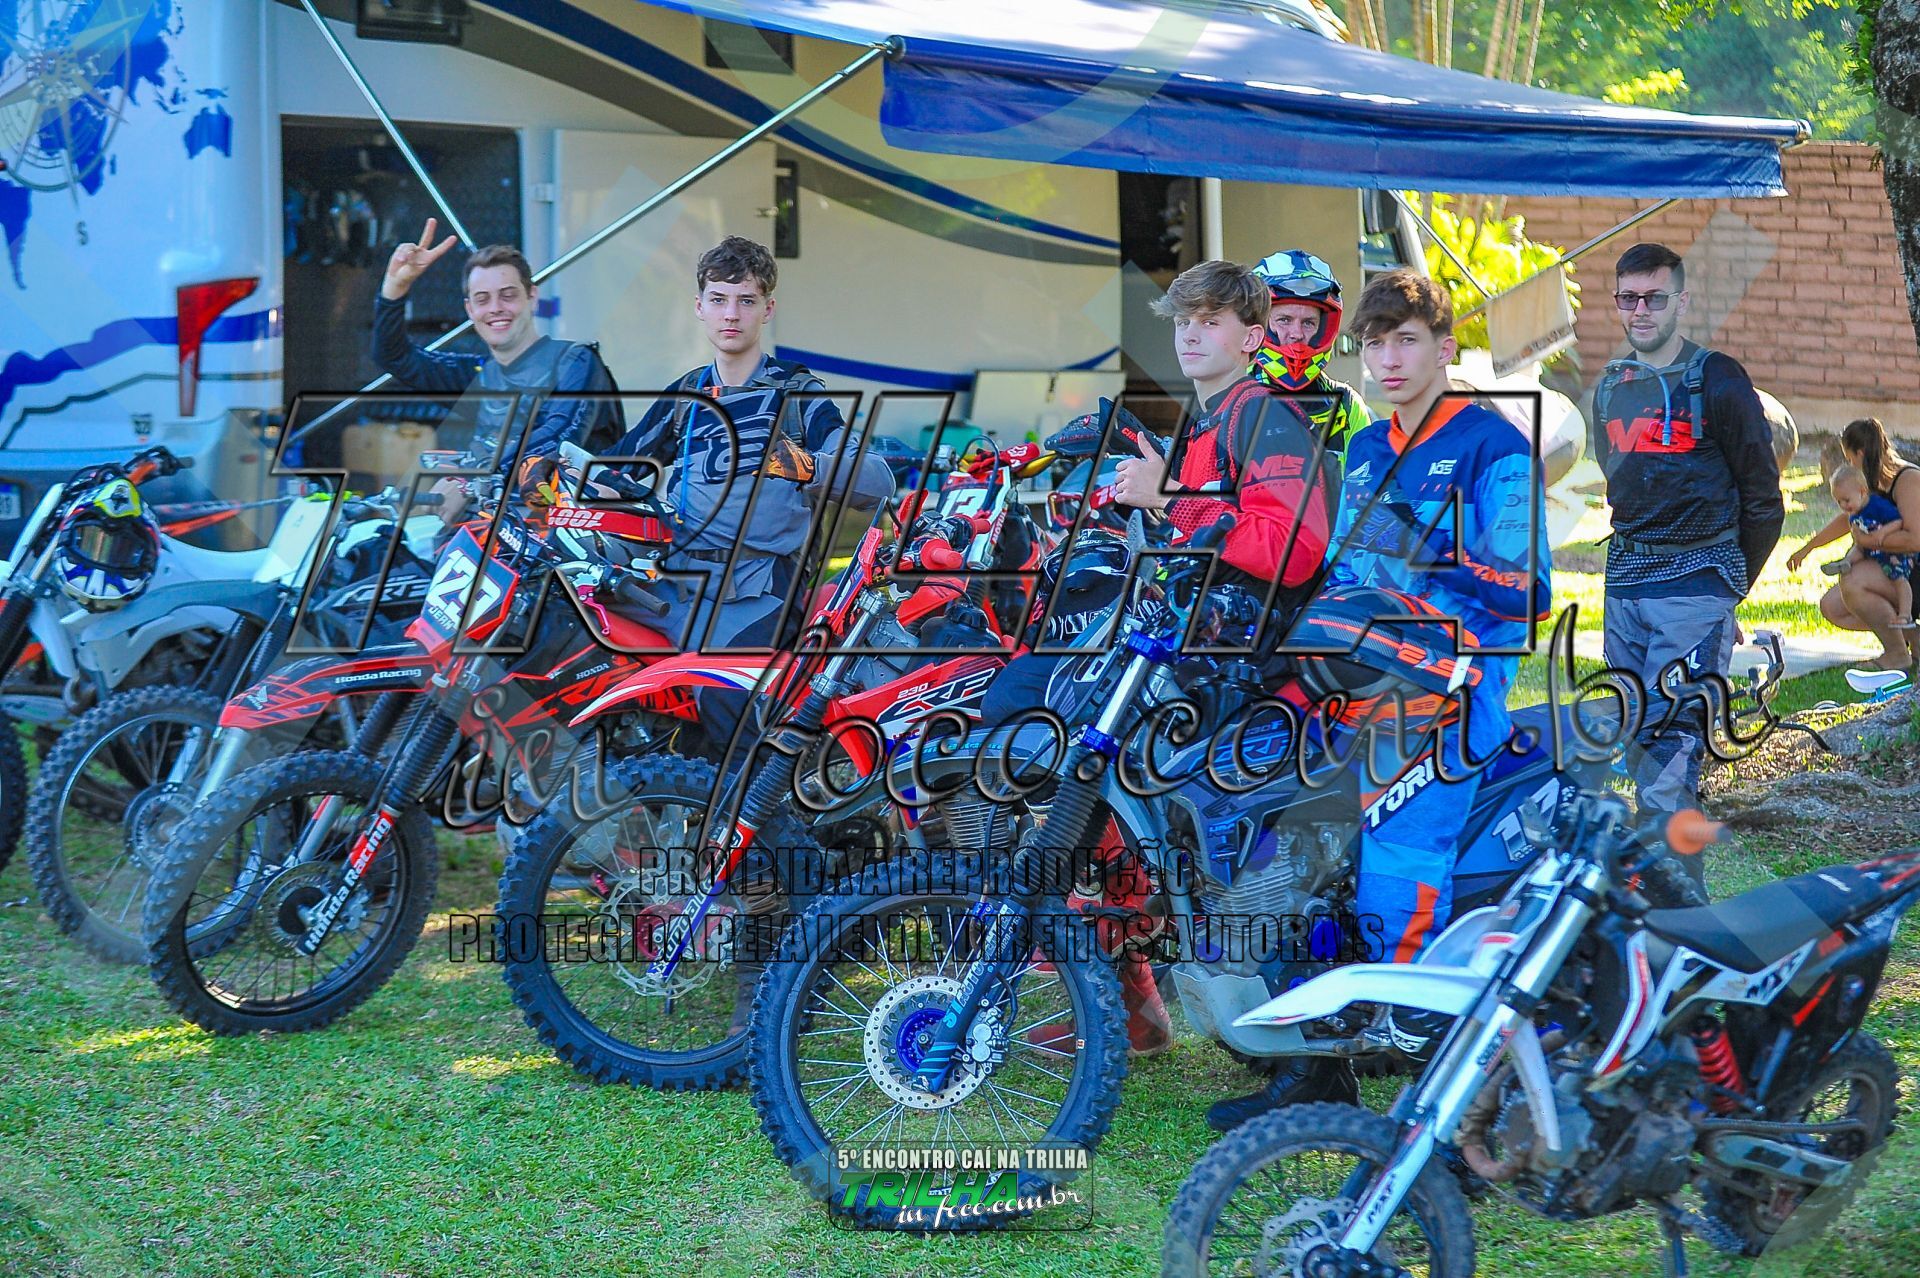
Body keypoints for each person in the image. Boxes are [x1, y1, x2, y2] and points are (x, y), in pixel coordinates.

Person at [1205, 267, 1551, 1130]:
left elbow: (1529, 592)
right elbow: (1345, 578)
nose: (1389, 359)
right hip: (1349, 683)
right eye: (1375, 343)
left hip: (1449, 692)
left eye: (1407, 340)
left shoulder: (1492, 444)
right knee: (1282, 862)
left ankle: (1435, 1105)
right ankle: (1313, 1077)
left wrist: (1427, 551)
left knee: (1396, 868)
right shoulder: (1362, 448)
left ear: (1446, 348)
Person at [973, 259, 1333, 1060]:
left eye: (1212, 320)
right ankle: (1126, 998)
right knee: (1046, 735)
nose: (1192, 334)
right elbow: (1197, 535)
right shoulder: (1204, 424)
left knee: (1075, 759)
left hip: (1241, 670)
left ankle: (1134, 993)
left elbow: (1293, 548)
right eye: (1184, 321)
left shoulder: (1266, 417)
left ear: (1252, 336)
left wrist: (1168, 499)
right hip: (1185, 649)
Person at [601, 235, 892, 660]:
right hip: (674, 582)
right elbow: (613, 476)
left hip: (761, 590)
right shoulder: (686, 394)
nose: (731, 314)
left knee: (724, 689)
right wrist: (554, 478)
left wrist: (809, 467)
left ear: (768, 309)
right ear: (699, 306)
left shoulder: (796, 393)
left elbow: (878, 481)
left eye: (747, 301)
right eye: (718, 300)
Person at [1587, 242, 1783, 829]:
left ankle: (1673, 866)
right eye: (1628, 298)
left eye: (1654, 298)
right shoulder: (1613, 385)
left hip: (1697, 581)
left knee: (1673, 744)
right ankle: (1645, 867)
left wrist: (1726, 588)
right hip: (1625, 583)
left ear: (1682, 301)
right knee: (1635, 729)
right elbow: (1617, 482)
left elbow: (1764, 499)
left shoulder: (1718, 379)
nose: (1640, 310)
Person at [372, 220, 623, 520]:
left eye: (508, 295)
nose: (495, 308)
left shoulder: (576, 361)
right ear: (470, 310)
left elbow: (559, 439)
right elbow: (394, 357)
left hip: (566, 534)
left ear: (532, 297)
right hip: (489, 528)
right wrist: (395, 288)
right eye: (482, 299)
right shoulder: (479, 375)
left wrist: (468, 482)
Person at [1794, 418, 1920, 690]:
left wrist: (1869, 541)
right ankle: (1914, 640)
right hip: (1895, 568)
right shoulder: (1869, 482)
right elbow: (1848, 519)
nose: (1850, 465)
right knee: (1833, 606)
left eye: (1850, 459)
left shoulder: (1907, 479)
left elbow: (1915, 539)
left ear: (1860, 454)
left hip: (1913, 572)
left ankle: (1898, 655)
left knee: (1853, 582)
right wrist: (1808, 548)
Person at [1249, 249, 1370, 469]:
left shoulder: (1347, 406)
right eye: (1284, 320)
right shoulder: (1230, 398)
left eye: (1308, 323)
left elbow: (1364, 486)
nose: (1297, 334)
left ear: (1323, 328)